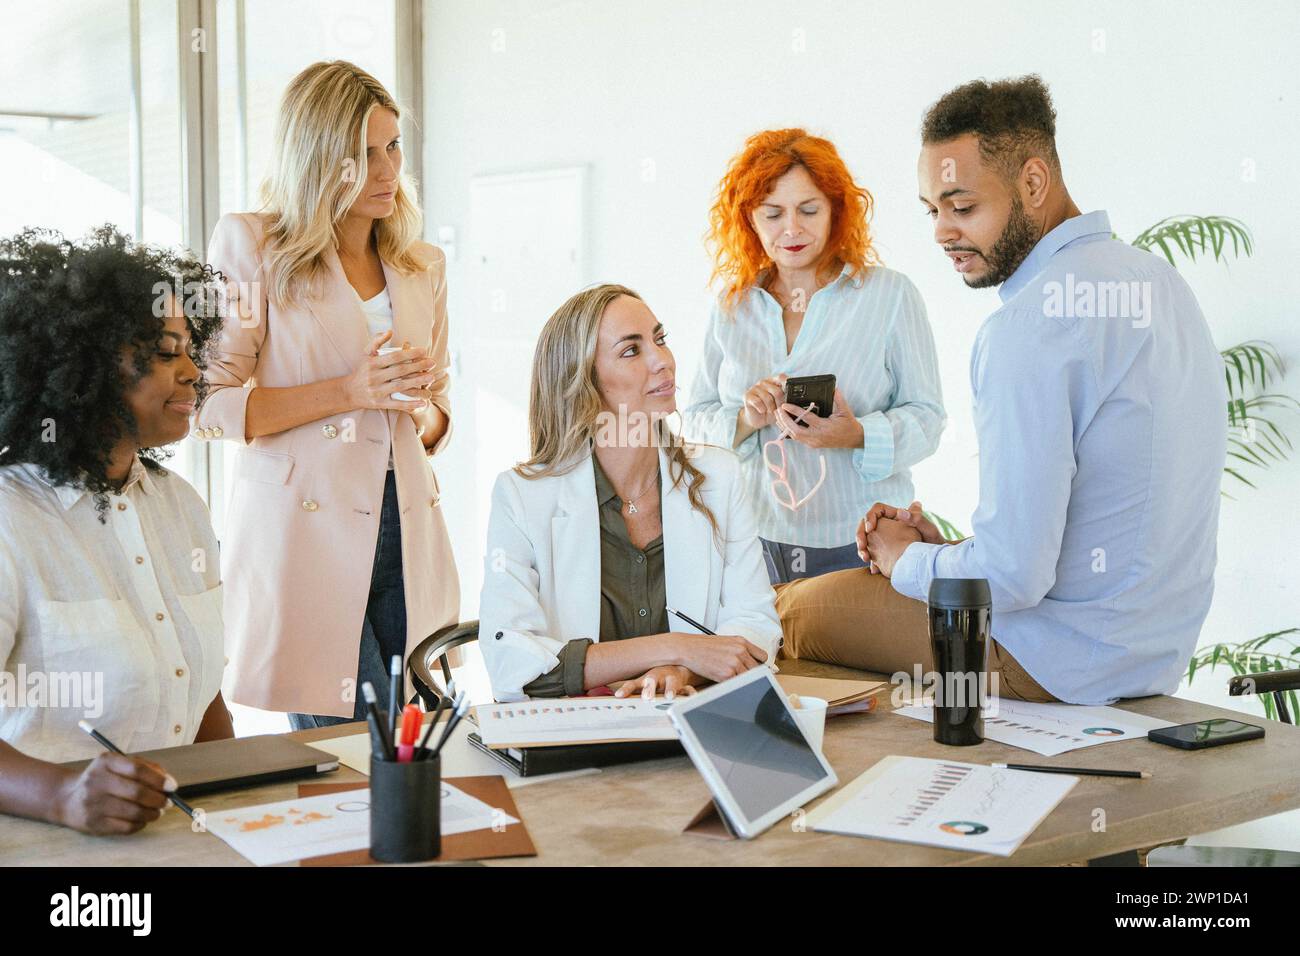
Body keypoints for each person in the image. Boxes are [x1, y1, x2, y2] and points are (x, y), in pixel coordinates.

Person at [777, 76, 1227, 704]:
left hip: (1050, 659)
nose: (940, 232)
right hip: (1149, 657)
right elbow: (1093, 520)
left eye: (962, 207)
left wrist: (903, 558)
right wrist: (952, 551)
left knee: (791, 610)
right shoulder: (1159, 283)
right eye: (932, 210)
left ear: (1033, 183)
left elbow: (1013, 579)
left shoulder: (1028, 326)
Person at [197, 61, 459, 727]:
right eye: (362, 155)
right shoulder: (253, 245)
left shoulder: (421, 262)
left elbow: (435, 419)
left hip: (406, 525)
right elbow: (206, 404)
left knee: (416, 741)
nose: (386, 171)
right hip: (307, 537)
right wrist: (350, 390)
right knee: (352, 756)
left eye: (393, 147)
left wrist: (420, 404)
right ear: (317, 157)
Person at [0, 226, 233, 834]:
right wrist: (60, 794)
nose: (193, 372)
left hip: (179, 835)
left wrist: (243, 801)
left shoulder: (180, 505)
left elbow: (200, 694)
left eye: (190, 348)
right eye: (164, 351)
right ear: (81, 364)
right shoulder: (10, 520)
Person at [479, 284, 782, 703]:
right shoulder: (521, 496)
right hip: (578, 743)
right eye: (631, 351)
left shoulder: (719, 476)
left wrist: (679, 669)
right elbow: (511, 662)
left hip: (693, 726)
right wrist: (674, 646)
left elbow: (756, 622)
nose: (663, 361)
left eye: (660, 340)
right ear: (583, 381)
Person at [684, 128, 945, 585]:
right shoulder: (731, 305)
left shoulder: (889, 295)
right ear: (749, 219)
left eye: (809, 210)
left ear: (835, 211)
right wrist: (747, 418)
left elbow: (927, 418)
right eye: (773, 213)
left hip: (865, 541)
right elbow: (697, 419)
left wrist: (856, 434)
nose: (792, 229)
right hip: (752, 543)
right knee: (765, 658)